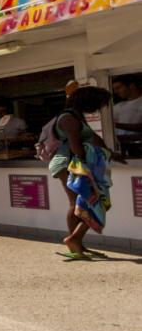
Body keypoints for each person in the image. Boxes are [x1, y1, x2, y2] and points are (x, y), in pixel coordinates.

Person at [48, 84, 115, 258]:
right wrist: (94, 165)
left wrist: (111, 153)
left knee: (88, 202)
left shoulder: (77, 116)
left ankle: (77, 243)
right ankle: (75, 242)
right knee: (82, 202)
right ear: (88, 101)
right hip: (68, 163)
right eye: (97, 104)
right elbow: (77, 147)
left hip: (75, 163)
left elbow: (94, 138)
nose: (97, 108)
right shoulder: (68, 118)